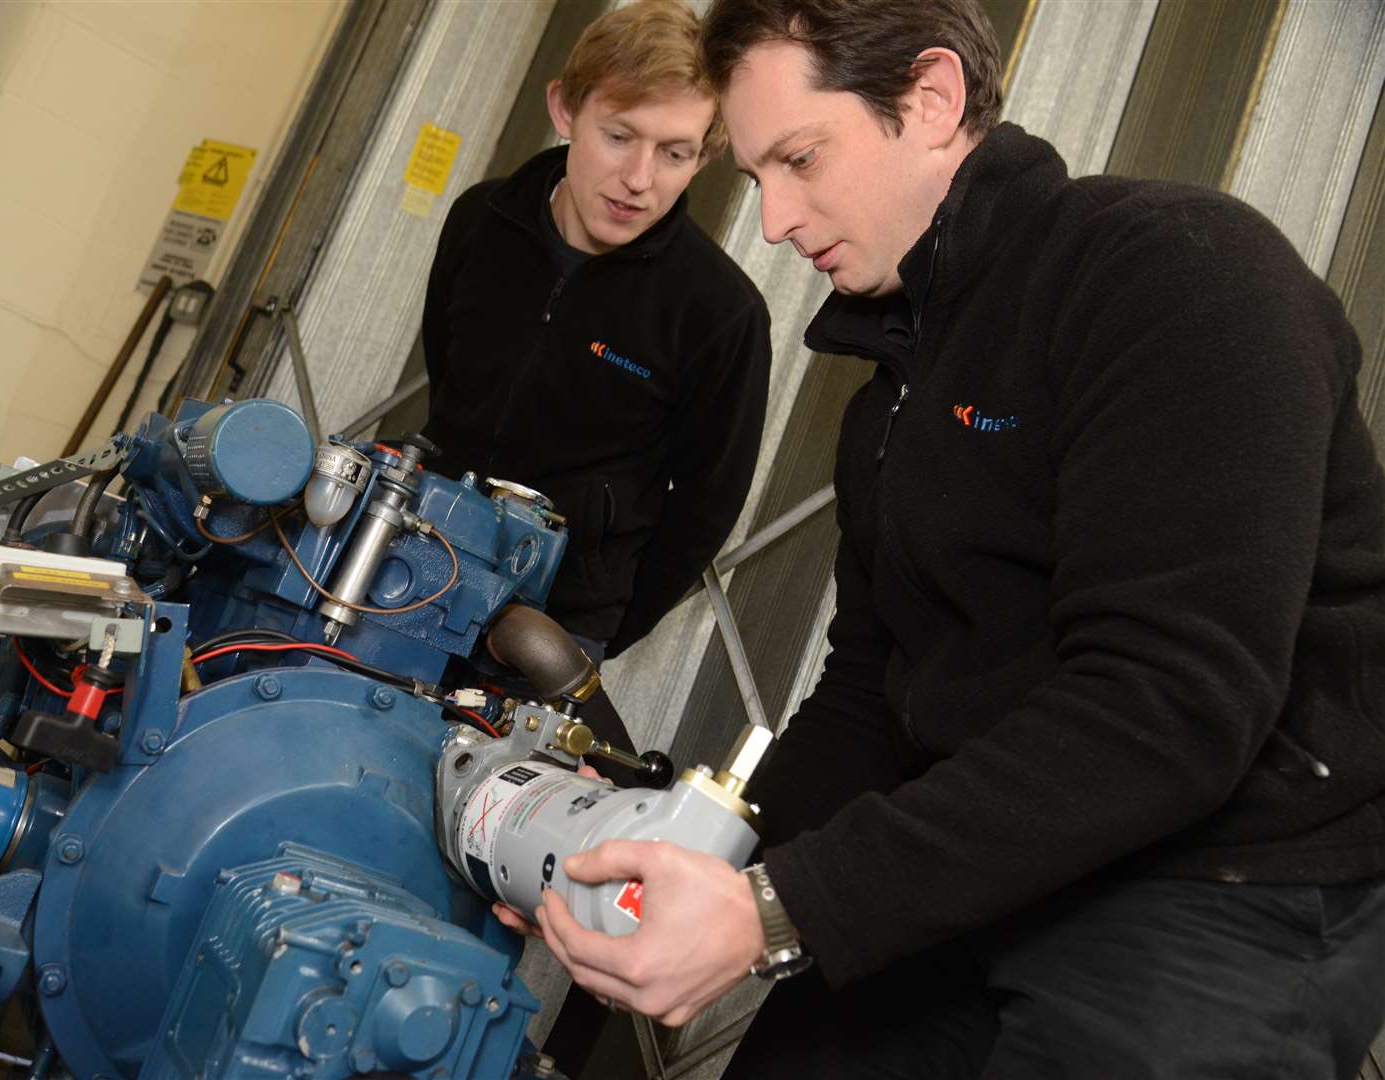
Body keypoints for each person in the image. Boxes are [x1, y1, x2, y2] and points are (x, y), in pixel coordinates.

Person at [527, 1, 1385, 1075]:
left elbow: (1171, 702)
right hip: (990, 840)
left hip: (1218, 879)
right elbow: (870, 685)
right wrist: (688, 861)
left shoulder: (1178, 276)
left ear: (931, 100)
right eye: (755, 181)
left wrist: (776, 907)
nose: (778, 220)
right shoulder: (894, 394)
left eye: (799, 159)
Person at [420, 0, 771, 667]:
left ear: (704, 157)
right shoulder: (480, 222)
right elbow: (448, 378)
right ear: (565, 111)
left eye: (675, 153)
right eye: (619, 135)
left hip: (556, 625)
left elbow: (706, 507)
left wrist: (600, 632)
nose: (639, 180)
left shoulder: (722, 313)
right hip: (420, 574)